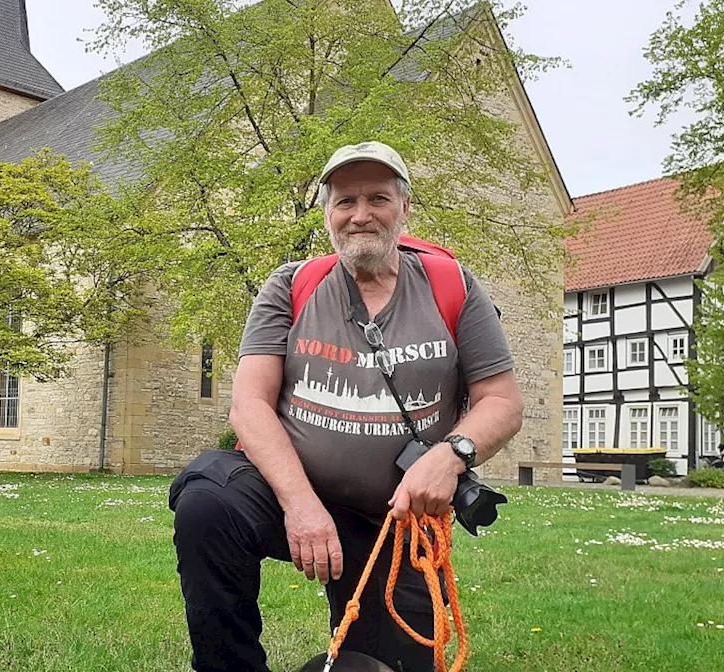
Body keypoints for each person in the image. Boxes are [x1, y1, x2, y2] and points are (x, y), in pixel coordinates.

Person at [168, 141, 524, 672]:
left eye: (378, 198)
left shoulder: (452, 286)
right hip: (286, 492)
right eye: (345, 201)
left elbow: (502, 400)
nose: (361, 215)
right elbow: (248, 405)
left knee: (393, 663)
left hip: (393, 520)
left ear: (404, 208)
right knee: (208, 504)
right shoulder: (292, 286)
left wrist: (451, 456)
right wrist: (301, 505)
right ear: (327, 214)